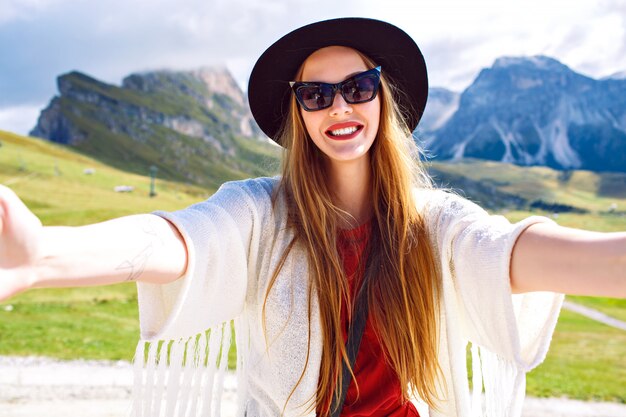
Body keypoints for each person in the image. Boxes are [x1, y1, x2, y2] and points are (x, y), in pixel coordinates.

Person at [0, 17, 624, 417]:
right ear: (298, 112)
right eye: (316, 94)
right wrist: (44, 255)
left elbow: (519, 250)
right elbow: (178, 239)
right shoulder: (257, 213)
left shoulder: (435, 225)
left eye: (359, 86)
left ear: (382, 95)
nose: (339, 106)